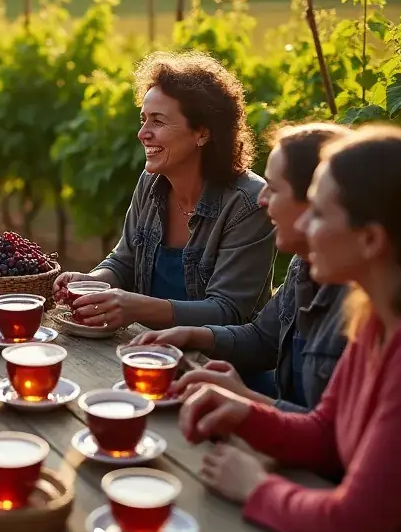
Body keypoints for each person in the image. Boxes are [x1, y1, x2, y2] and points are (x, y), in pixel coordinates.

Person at [155, 126, 401, 532]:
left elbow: (353, 530)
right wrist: (242, 412)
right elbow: (325, 431)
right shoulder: (374, 313)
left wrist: (254, 486)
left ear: (371, 240)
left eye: (321, 214)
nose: (303, 223)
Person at [130, 122, 350, 411]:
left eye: (273, 188)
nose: (262, 198)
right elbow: (262, 338)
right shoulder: (304, 267)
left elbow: (331, 433)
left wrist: (244, 400)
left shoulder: (361, 305)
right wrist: (193, 335)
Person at [54, 51, 275, 332]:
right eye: (143, 119)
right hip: (151, 351)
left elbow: (228, 312)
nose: (142, 133)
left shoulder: (247, 204)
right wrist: (89, 283)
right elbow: (124, 261)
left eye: (157, 121)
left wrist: (135, 307)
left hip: (221, 368)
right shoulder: (151, 183)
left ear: (202, 133)